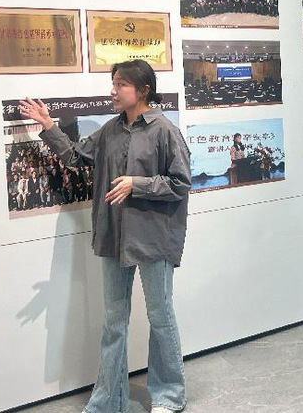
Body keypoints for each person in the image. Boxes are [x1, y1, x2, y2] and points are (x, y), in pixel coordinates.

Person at [20, 59, 190, 413]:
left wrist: (136, 184)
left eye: (120, 84)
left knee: (160, 317)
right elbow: (74, 157)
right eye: (113, 83)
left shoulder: (164, 131)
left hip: (154, 238)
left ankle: (170, 395)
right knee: (114, 321)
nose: (113, 91)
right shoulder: (110, 130)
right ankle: (109, 400)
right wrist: (48, 125)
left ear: (143, 90)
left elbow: (180, 183)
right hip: (114, 236)